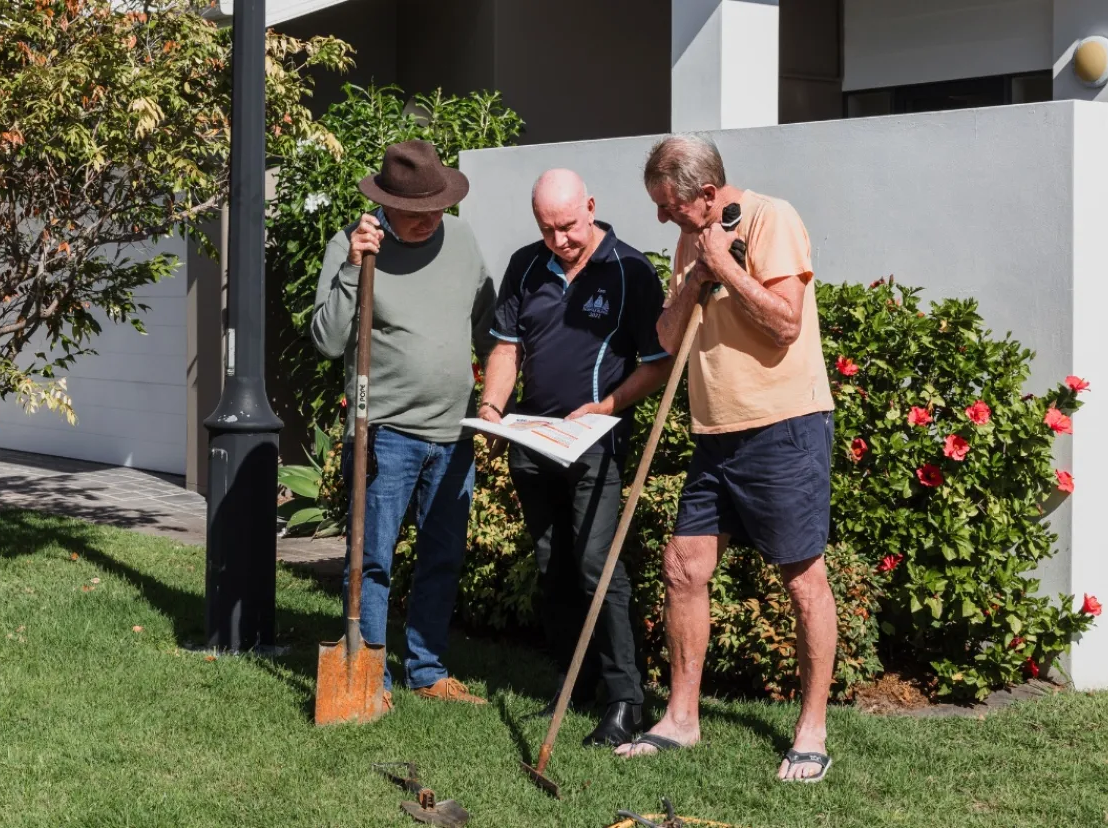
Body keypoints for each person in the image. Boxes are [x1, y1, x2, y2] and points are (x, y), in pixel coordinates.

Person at [614, 135, 839, 783]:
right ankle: (682, 719)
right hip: (715, 433)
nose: (663, 218)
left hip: (784, 426)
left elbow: (786, 325)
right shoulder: (693, 238)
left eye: (671, 206)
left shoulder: (774, 219)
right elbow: (665, 336)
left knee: (802, 580)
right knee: (683, 566)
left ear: (707, 194)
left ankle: (812, 730)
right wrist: (695, 276)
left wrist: (729, 267)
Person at [478, 170, 673, 747]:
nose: (559, 239)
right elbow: (506, 347)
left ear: (591, 206)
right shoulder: (526, 265)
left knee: (596, 565)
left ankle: (625, 699)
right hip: (533, 441)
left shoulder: (630, 271)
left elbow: (657, 361)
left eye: (567, 226)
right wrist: (492, 406)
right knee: (552, 566)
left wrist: (605, 406)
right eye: (547, 229)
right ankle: (575, 684)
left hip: (597, 445)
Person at [310, 139, 497, 708]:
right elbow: (326, 340)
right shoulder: (354, 243)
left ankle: (427, 670)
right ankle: (369, 676)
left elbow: (488, 322)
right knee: (371, 561)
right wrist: (351, 267)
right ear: (386, 205)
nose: (426, 222)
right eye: (413, 214)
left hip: (453, 432)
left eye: (435, 209)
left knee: (442, 557)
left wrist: (498, 391)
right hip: (383, 432)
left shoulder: (462, 240)